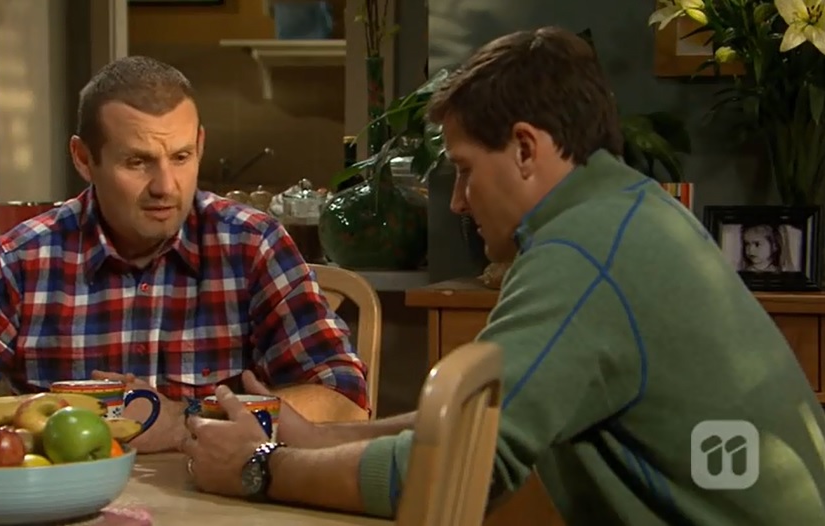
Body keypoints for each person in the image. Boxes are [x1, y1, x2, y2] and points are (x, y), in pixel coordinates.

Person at [180, 27, 825, 524]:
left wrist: (261, 467)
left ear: (524, 148)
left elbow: (449, 465)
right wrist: (323, 439)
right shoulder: (627, 211)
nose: (459, 202)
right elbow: (480, 419)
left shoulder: (580, 256)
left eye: (464, 169)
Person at [0, 56, 369, 453]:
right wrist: (38, 421)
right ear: (84, 159)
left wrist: (186, 420)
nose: (165, 187)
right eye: (137, 161)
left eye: (181, 157)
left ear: (200, 144)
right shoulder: (24, 258)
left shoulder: (251, 244)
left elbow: (344, 401)